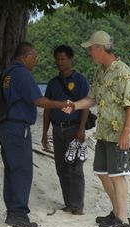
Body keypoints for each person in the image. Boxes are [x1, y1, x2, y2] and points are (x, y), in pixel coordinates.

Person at [63, 30, 130, 227]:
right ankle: (116, 212)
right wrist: (74, 106)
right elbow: (92, 98)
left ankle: (122, 218)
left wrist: (126, 132)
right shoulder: (99, 72)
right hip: (103, 132)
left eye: (90, 49)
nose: (89, 53)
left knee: (118, 175)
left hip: (119, 133)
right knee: (103, 172)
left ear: (100, 48)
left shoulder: (123, 72)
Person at [0, 42, 68, 227]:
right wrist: (61, 104)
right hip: (18, 127)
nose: (35, 62)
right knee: (22, 170)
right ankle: (19, 214)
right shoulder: (22, 74)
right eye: (34, 58)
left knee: (11, 170)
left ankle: (12, 211)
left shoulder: (7, 73)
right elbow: (38, 100)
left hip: (5, 126)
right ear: (25, 56)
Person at [41, 45, 89, 215]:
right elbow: (47, 109)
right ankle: (68, 203)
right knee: (61, 167)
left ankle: (77, 205)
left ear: (70, 59)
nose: (60, 62)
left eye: (63, 59)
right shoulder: (53, 83)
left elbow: (85, 107)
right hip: (57, 129)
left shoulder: (81, 80)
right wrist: (45, 133)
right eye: (57, 59)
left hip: (74, 128)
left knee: (75, 167)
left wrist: (82, 129)